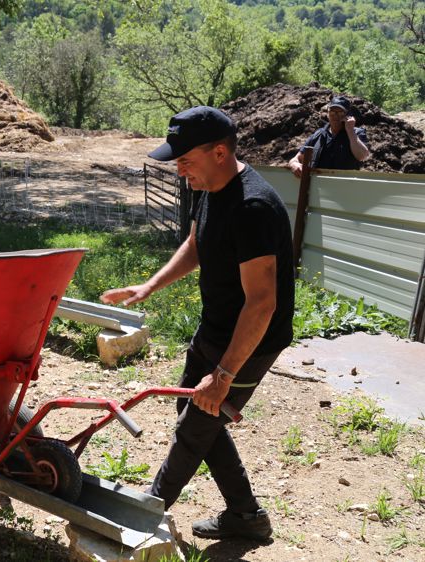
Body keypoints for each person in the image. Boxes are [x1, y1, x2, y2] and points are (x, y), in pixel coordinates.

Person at [101, 106, 294, 541]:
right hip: (215, 327)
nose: (179, 169)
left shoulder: (253, 207)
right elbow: (197, 243)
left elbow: (262, 304)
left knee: (194, 430)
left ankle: (138, 519)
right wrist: (149, 286)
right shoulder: (209, 186)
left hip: (251, 342)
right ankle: (246, 517)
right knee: (196, 413)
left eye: (185, 159)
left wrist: (224, 375)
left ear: (220, 152)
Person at [287, 95, 370, 177]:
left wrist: (350, 131)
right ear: (328, 113)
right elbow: (296, 158)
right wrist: (294, 164)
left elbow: (362, 156)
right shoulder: (318, 135)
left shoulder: (356, 133)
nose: (335, 115)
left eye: (340, 112)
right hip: (318, 187)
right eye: (332, 111)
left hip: (345, 187)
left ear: (348, 115)